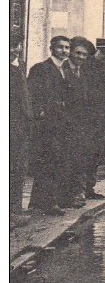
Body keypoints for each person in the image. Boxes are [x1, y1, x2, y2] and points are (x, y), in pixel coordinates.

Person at [27, 36, 72, 216]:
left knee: (56, 161)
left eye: (67, 48)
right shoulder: (41, 69)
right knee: (47, 162)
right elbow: (33, 93)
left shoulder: (66, 70)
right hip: (46, 124)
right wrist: (41, 113)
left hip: (61, 124)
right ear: (51, 48)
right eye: (60, 47)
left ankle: (42, 202)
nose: (64, 51)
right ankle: (46, 203)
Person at [74, 36, 105, 199]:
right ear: (96, 52)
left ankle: (88, 188)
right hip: (88, 119)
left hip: (101, 119)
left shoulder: (104, 69)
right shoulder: (86, 68)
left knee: (95, 153)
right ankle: (82, 190)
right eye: (104, 52)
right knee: (85, 153)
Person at [62, 38, 92, 208]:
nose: (80, 57)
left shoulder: (85, 72)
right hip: (67, 123)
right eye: (77, 53)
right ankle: (68, 196)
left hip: (82, 124)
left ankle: (78, 193)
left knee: (80, 159)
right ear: (71, 53)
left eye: (84, 54)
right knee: (67, 160)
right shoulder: (63, 70)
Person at [10, 31, 32, 226]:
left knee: (18, 169)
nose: (15, 49)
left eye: (17, 45)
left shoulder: (19, 67)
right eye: (11, 45)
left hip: (20, 127)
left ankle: (14, 211)